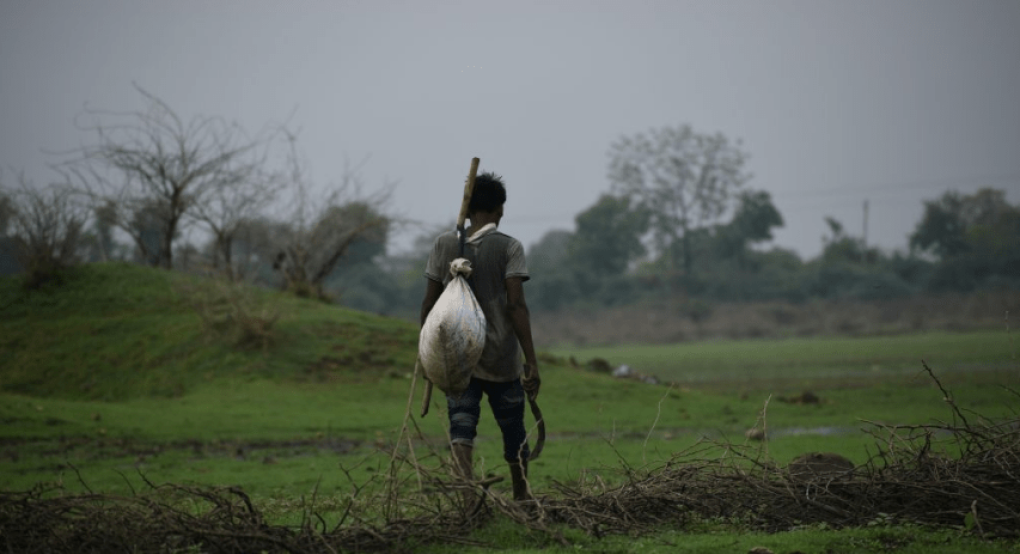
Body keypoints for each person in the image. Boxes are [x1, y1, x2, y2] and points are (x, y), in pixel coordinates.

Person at [420, 171, 540, 501]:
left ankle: (466, 499)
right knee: (513, 430)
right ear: (499, 209)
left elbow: (429, 304)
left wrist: (426, 352)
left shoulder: (444, 245)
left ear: (469, 208)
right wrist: (531, 361)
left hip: (457, 359)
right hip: (502, 357)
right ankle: (523, 497)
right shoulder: (509, 247)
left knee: (461, 427)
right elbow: (516, 305)